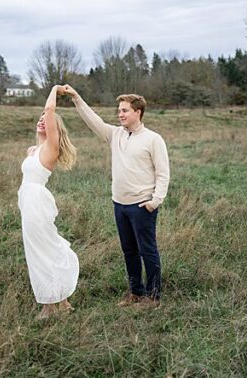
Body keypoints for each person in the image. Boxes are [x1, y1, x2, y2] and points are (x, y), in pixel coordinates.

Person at [61, 85, 170, 307]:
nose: (120, 114)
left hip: (142, 205)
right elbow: (94, 121)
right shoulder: (115, 134)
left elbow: (163, 173)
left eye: (124, 110)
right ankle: (136, 292)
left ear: (137, 112)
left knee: (147, 251)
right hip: (119, 205)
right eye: (119, 111)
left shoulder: (153, 139)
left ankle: (153, 296)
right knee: (128, 250)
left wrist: (155, 201)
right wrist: (76, 97)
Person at [18, 85, 79, 320]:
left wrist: (54, 89)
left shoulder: (51, 147)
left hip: (37, 201)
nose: (42, 120)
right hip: (28, 200)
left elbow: (50, 109)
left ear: (54, 126)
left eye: (47, 119)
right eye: (40, 119)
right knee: (37, 250)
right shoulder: (34, 149)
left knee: (42, 250)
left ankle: (49, 304)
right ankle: (61, 302)